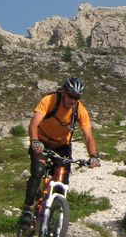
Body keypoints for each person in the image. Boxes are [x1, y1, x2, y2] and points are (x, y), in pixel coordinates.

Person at [19, 76, 100, 225]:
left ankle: (52, 217)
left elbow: (88, 136)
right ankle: (27, 209)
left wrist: (93, 156)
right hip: (41, 141)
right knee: (38, 170)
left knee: (63, 180)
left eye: (77, 97)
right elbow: (33, 124)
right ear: (64, 92)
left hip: (62, 145)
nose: (73, 100)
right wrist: (35, 141)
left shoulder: (79, 110)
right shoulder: (50, 100)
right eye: (70, 96)